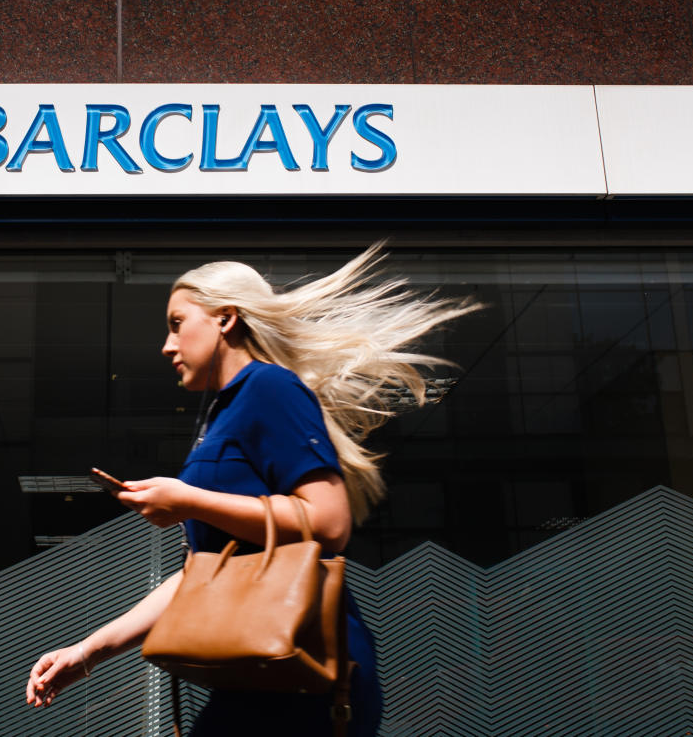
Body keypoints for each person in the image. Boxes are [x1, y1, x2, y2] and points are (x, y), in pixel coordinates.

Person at [26, 246, 475, 735]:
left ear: (225, 318)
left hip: (304, 678)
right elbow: (208, 573)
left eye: (177, 323)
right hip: (265, 673)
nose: (166, 345)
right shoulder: (224, 413)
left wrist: (188, 500)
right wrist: (88, 652)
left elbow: (328, 522)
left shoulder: (268, 387)